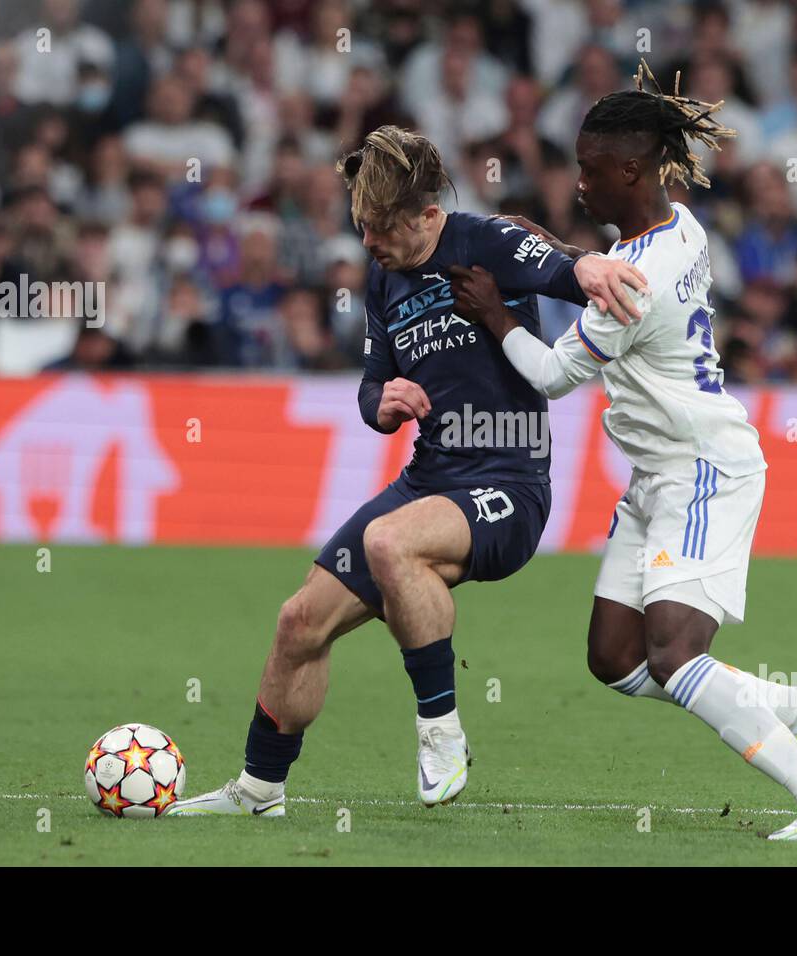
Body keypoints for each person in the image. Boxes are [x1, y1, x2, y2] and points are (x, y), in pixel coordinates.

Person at [170, 126, 647, 817]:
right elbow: (372, 384)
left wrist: (592, 266)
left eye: (381, 229)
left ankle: (441, 733)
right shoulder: (383, 277)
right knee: (298, 621)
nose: (368, 243)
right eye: (361, 228)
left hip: (508, 485)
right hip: (429, 480)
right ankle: (258, 789)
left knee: (392, 543)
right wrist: (383, 404)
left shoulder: (484, 240)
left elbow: (559, 268)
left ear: (428, 216)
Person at [449, 63, 797, 841]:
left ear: (631, 169)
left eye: (589, 169)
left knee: (676, 654)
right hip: (657, 475)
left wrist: (494, 315)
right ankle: (796, 706)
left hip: (704, 469)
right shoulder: (679, 225)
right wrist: (560, 250)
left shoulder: (633, 278)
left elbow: (549, 376)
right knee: (614, 658)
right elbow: (616, 272)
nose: (577, 183)